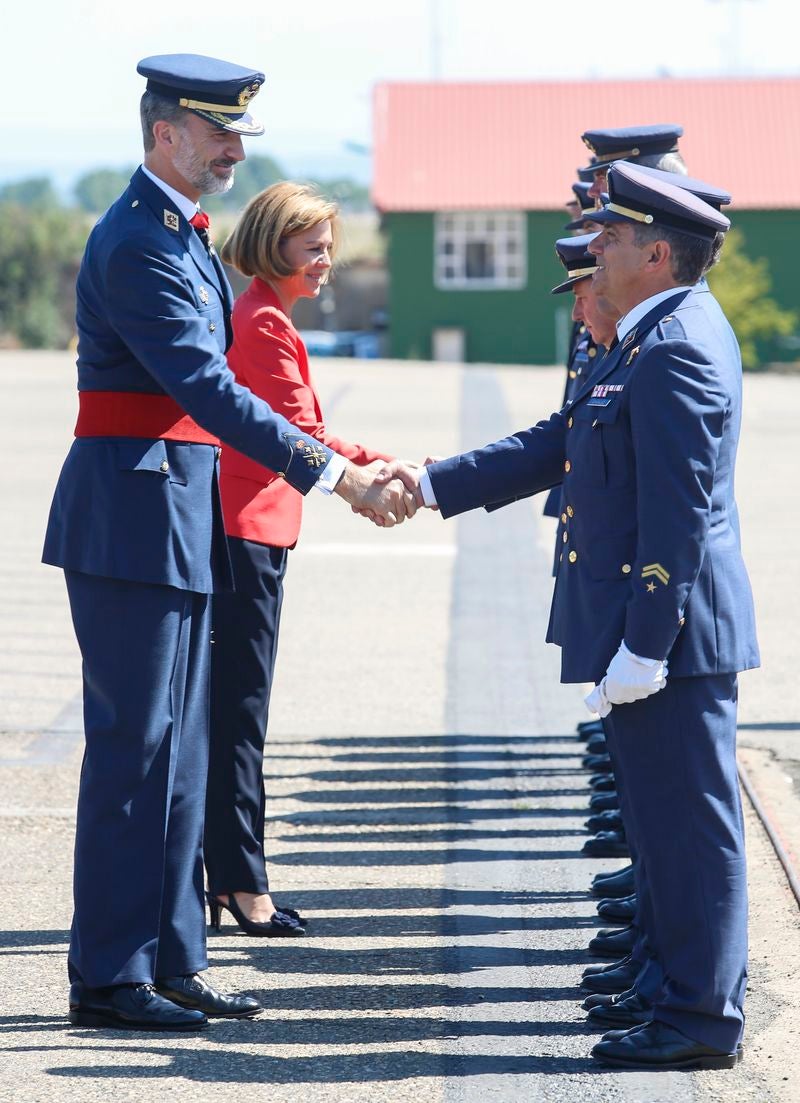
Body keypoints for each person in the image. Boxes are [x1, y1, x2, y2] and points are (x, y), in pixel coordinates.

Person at [42, 53, 413, 1033]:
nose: (233, 148)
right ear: (164, 132)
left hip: (176, 516)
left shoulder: (183, 238)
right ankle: (110, 973)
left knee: (179, 754)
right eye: (218, 130)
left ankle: (170, 956)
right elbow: (209, 391)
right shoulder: (140, 243)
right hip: (130, 518)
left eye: (236, 131)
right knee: (134, 750)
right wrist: (337, 475)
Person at [373, 163, 759, 1071]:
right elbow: (559, 441)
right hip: (644, 627)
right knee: (660, 826)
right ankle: (669, 982)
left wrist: (647, 643)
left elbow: (681, 513)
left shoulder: (678, 347)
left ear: (657, 254)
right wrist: (429, 483)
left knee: (691, 830)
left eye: (612, 240)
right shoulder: (645, 335)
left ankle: (701, 1016)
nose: (596, 251)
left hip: (669, 632)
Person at [203, 183, 394, 935]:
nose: (326, 264)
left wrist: (383, 465)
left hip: (251, 525)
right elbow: (299, 434)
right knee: (239, 713)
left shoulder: (261, 313)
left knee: (233, 711)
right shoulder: (263, 323)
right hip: (245, 528)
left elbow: (303, 433)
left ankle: (224, 876)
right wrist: (382, 474)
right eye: (313, 247)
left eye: (329, 248)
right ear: (274, 244)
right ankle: (241, 886)